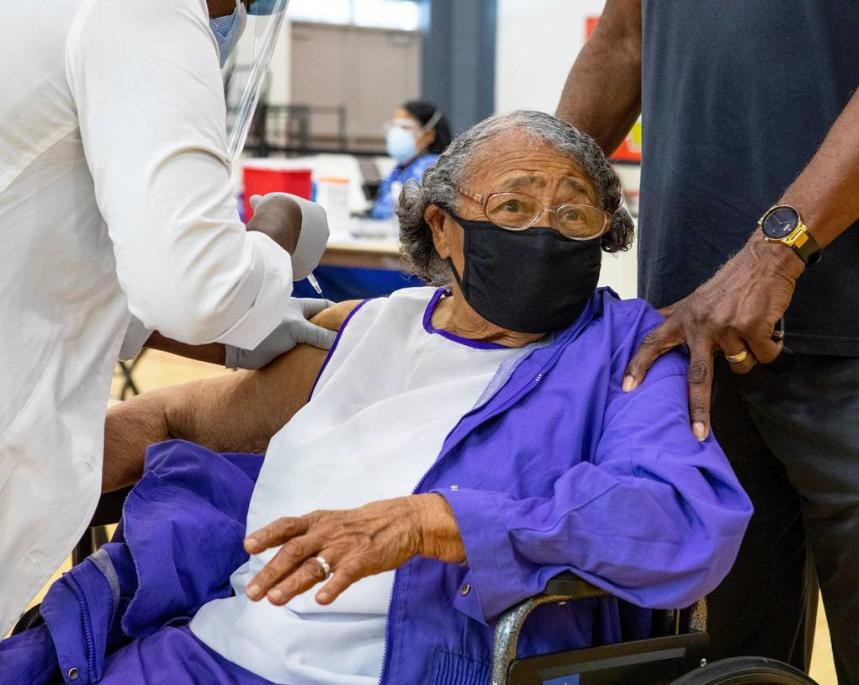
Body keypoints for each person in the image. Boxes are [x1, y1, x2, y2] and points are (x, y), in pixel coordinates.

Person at [0, 111, 752, 685]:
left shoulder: (626, 351)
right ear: (443, 228)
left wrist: (432, 520)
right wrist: (33, 466)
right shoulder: (368, 328)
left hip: (408, 663)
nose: (546, 232)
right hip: (217, 648)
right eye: (515, 208)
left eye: (573, 213)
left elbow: (680, 514)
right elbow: (173, 415)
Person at [556, 1, 859, 682]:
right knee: (728, 659)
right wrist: (522, 195)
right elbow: (624, 40)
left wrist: (775, 253)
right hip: (691, 334)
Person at [0, 0, 338, 634]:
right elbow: (195, 290)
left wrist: (230, 337)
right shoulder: (142, 13)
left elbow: (55, 253)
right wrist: (275, 232)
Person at [369, 100, 452, 219]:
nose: (396, 133)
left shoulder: (432, 169)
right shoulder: (403, 166)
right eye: (394, 126)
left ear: (428, 135)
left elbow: (394, 210)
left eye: (404, 127)